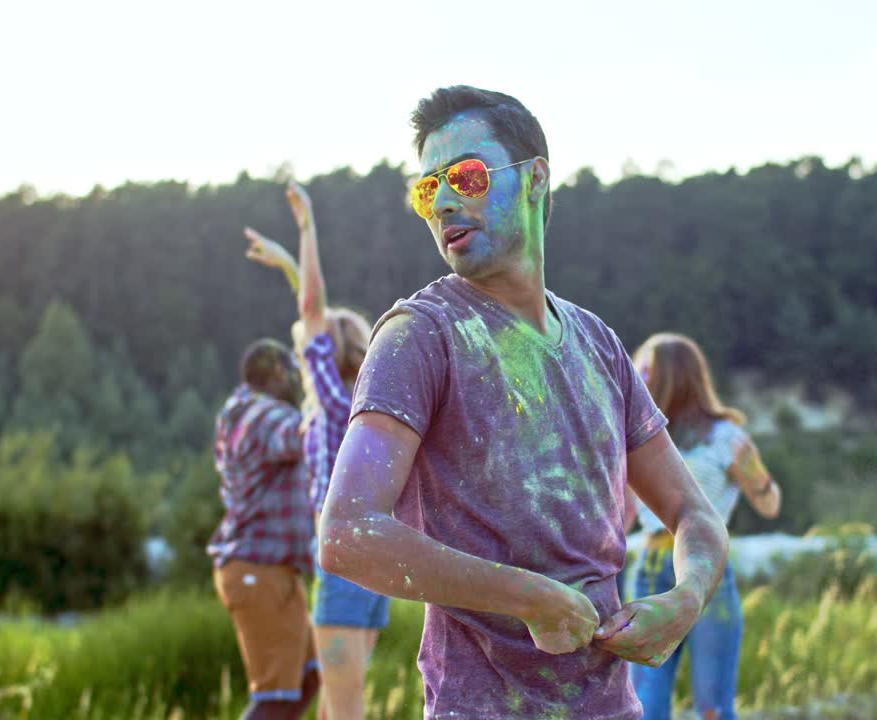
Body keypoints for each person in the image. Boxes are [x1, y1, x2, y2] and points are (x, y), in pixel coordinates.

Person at [317, 85, 730, 719]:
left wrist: (686, 600)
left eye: (467, 176)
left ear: (536, 178)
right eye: (427, 189)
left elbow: (694, 514)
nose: (444, 202)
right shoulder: (420, 336)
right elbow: (347, 533)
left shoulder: (598, 345)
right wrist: (526, 597)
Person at [244, 181, 385, 720]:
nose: (306, 343)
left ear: (330, 351)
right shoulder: (371, 410)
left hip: (344, 563)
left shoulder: (334, 402)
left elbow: (311, 308)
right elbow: (310, 316)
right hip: (372, 569)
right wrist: (286, 264)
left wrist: (305, 231)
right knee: (334, 707)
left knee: (343, 712)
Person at [628, 333, 782, 720]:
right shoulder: (638, 436)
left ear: (673, 377)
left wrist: (758, 478)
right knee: (645, 703)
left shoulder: (725, 437)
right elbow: (623, 514)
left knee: (713, 706)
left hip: (706, 567)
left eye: (645, 369)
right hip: (650, 567)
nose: (636, 376)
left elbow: (770, 505)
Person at [209, 335, 320, 719]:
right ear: (275, 374)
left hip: (271, 570)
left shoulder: (241, 413)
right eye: (293, 373)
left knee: (310, 678)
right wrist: (332, 398)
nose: (298, 383)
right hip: (259, 569)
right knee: (276, 697)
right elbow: (305, 434)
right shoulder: (263, 415)